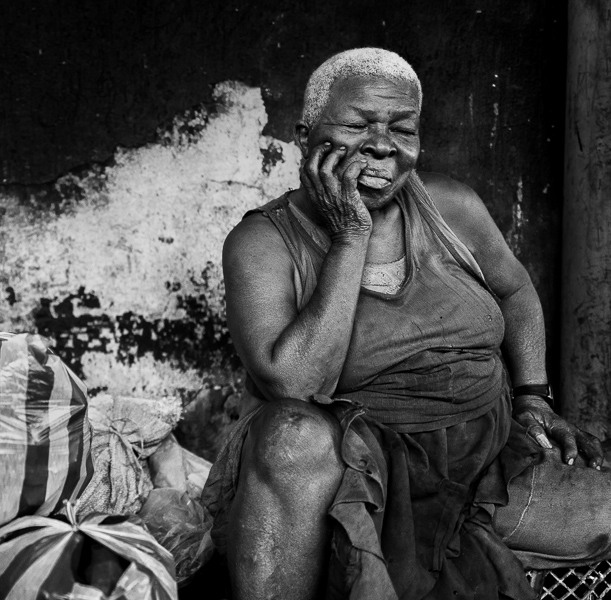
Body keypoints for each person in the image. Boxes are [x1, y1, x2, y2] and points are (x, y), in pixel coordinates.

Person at [201, 48, 611, 600]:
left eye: (403, 128)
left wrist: (534, 394)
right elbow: (295, 386)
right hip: (352, 473)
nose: (381, 144)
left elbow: (515, 291)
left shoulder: (449, 205)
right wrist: (351, 234)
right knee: (290, 436)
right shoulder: (264, 243)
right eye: (355, 125)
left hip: (483, 459)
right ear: (305, 134)